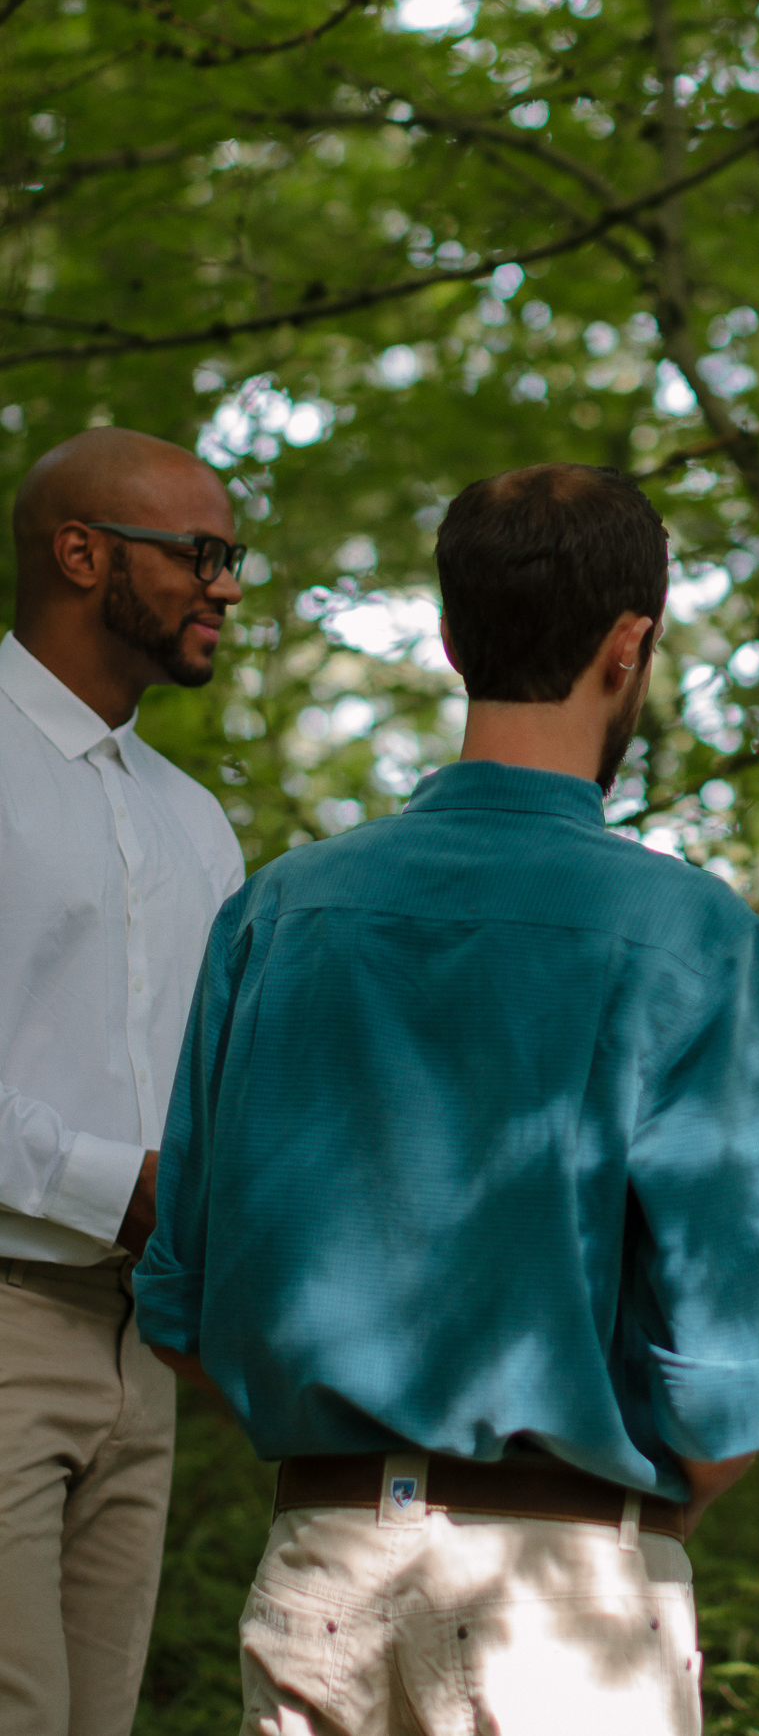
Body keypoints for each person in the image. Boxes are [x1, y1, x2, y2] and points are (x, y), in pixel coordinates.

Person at [136, 461, 759, 1736]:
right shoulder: (689, 935)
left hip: (320, 1573)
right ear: (632, 645)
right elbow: (727, 1362)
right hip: (565, 1595)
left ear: (451, 640)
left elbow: (180, 1294)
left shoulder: (280, 910)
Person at [0, 426, 248, 1736]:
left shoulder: (194, 820)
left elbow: (227, 1086)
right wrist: (122, 1184)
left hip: (142, 1345)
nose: (229, 585)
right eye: (200, 553)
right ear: (82, 552)